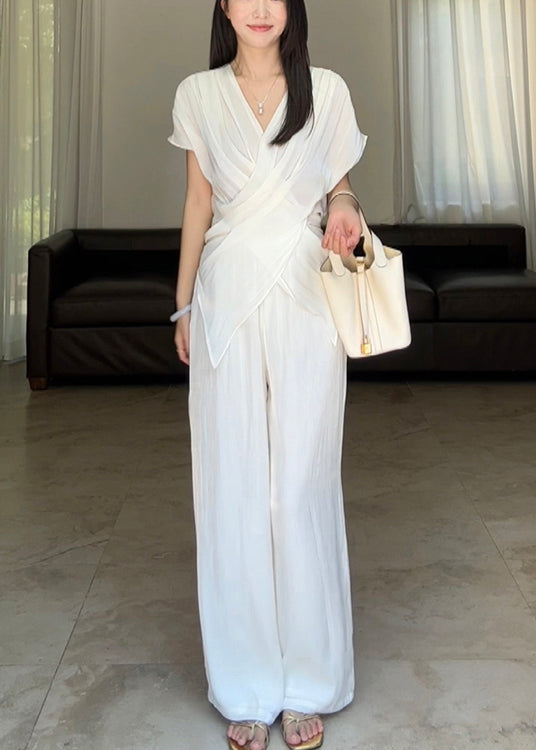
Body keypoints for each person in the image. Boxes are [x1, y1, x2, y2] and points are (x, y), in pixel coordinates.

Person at [168, 1, 367, 748]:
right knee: (235, 488)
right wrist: (183, 305)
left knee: (301, 487)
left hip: (307, 297)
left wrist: (344, 208)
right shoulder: (198, 93)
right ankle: (246, 684)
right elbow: (199, 202)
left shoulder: (328, 90)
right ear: (223, 3)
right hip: (225, 299)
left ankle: (309, 679)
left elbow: (340, 187)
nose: (259, 8)